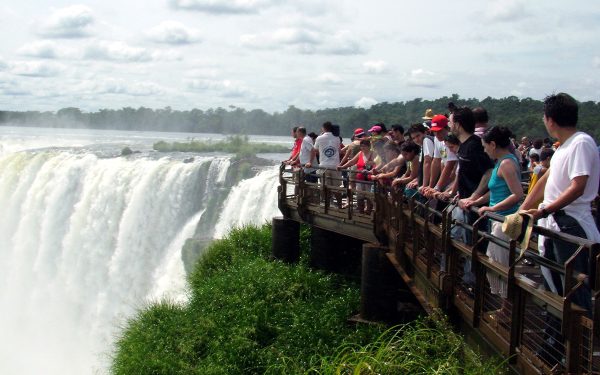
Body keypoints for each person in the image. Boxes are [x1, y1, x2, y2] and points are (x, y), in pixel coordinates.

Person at [520, 93, 600, 312]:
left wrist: (545, 210)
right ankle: (555, 337)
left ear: (550, 119)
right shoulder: (563, 147)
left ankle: (577, 342)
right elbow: (545, 181)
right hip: (556, 221)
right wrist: (523, 209)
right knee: (554, 283)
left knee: (572, 288)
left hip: (571, 222)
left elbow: (578, 186)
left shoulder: (580, 143)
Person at [470, 127, 523, 300]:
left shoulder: (507, 163)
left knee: (501, 264)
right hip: (497, 219)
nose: (484, 150)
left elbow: (517, 194)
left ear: (493, 144)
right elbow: (496, 191)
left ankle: (506, 308)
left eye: (485, 146)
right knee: (495, 261)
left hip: (504, 221)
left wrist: (492, 209)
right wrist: (476, 202)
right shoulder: (502, 162)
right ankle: (504, 306)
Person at [306, 121, 342, 206]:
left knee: (324, 187)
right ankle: (340, 205)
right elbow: (339, 150)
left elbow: (315, 150)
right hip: (335, 166)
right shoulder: (337, 138)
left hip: (323, 166)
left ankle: (327, 204)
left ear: (323, 128)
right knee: (336, 188)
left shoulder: (319, 138)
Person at [422, 114, 458, 198]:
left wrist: (437, 187)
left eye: (439, 131)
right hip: (446, 180)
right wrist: (430, 186)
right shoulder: (436, 139)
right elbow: (436, 162)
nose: (437, 134)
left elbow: (450, 165)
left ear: (447, 128)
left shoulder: (452, 141)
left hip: (455, 180)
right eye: (434, 132)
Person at [338, 139, 375, 213]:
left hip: (369, 179)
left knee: (369, 196)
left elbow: (377, 163)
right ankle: (361, 211)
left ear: (369, 146)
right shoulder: (360, 153)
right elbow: (352, 161)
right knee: (359, 195)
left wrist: (371, 163)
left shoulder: (373, 154)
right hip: (360, 178)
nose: (362, 148)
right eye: (361, 146)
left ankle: (368, 211)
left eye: (364, 146)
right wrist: (342, 166)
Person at [406, 123, 435, 193]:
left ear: (424, 132)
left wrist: (424, 185)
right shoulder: (423, 145)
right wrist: (417, 180)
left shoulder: (426, 140)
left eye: (418, 136)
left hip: (431, 184)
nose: (416, 139)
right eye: (413, 138)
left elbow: (427, 163)